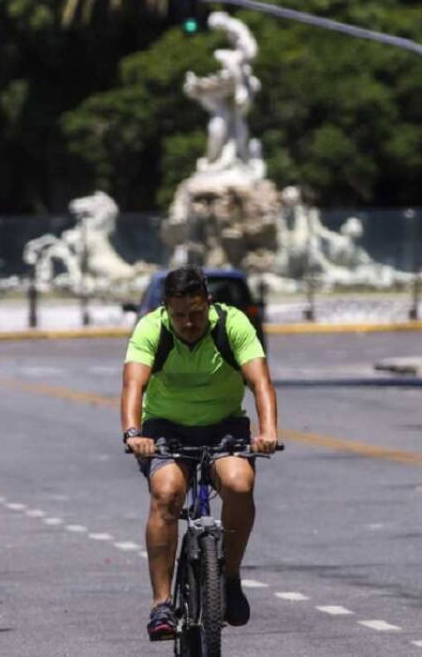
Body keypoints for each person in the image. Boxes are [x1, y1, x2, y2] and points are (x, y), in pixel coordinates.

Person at [120, 265, 279, 641]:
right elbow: (133, 385)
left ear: (208, 302)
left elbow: (260, 382)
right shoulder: (150, 329)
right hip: (164, 426)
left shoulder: (232, 324)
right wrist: (133, 433)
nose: (188, 322)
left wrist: (268, 432)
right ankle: (161, 603)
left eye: (195, 313)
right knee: (167, 492)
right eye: (179, 315)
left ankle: (229, 577)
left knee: (239, 485)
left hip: (224, 424)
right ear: (166, 309)